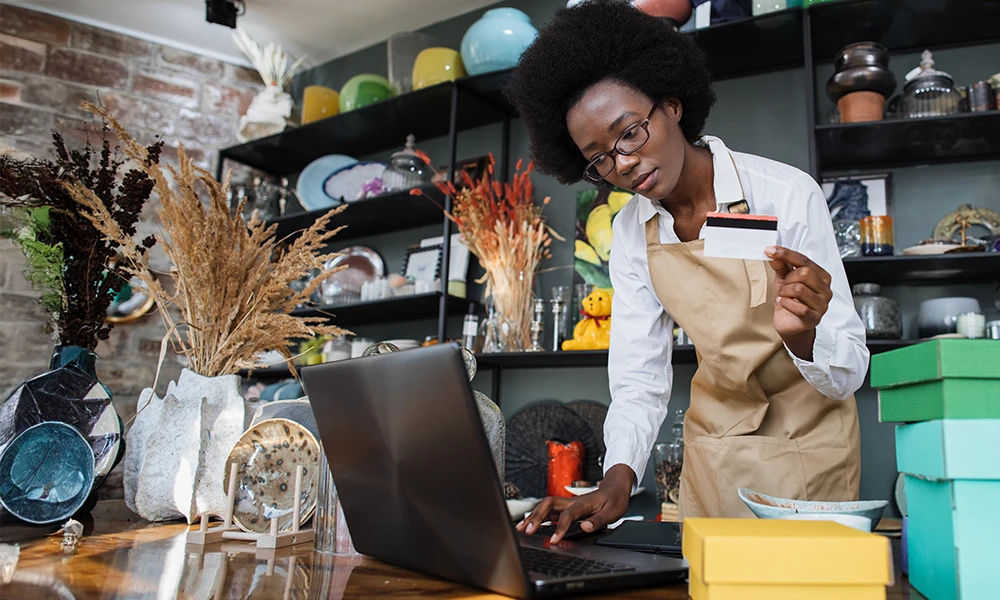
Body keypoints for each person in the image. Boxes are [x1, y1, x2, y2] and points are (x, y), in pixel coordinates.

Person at [505, 0, 868, 543]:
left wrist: (809, 335)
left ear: (671, 105)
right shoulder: (632, 232)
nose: (621, 163)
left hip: (806, 459)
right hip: (711, 464)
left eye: (629, 132)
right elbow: (639, 377)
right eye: (598, 157)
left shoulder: (785, 193)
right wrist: (618, 475)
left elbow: (851, 370)